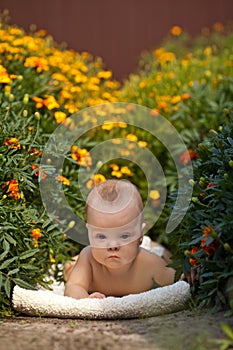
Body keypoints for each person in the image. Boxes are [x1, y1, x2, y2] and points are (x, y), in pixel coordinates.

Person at [64, 179, 175, 299]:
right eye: (101, 236)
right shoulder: (89, 259)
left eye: (124, 236)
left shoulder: (149, 262)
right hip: (131, 247)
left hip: (145, 249)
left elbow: (177, 281)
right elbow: (74, 286)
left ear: (140, 235)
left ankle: (151, 244)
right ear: (89, 234)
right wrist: (85, 299)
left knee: (165, 256)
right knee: (69, 268)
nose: (112, 245)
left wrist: (187, 273)